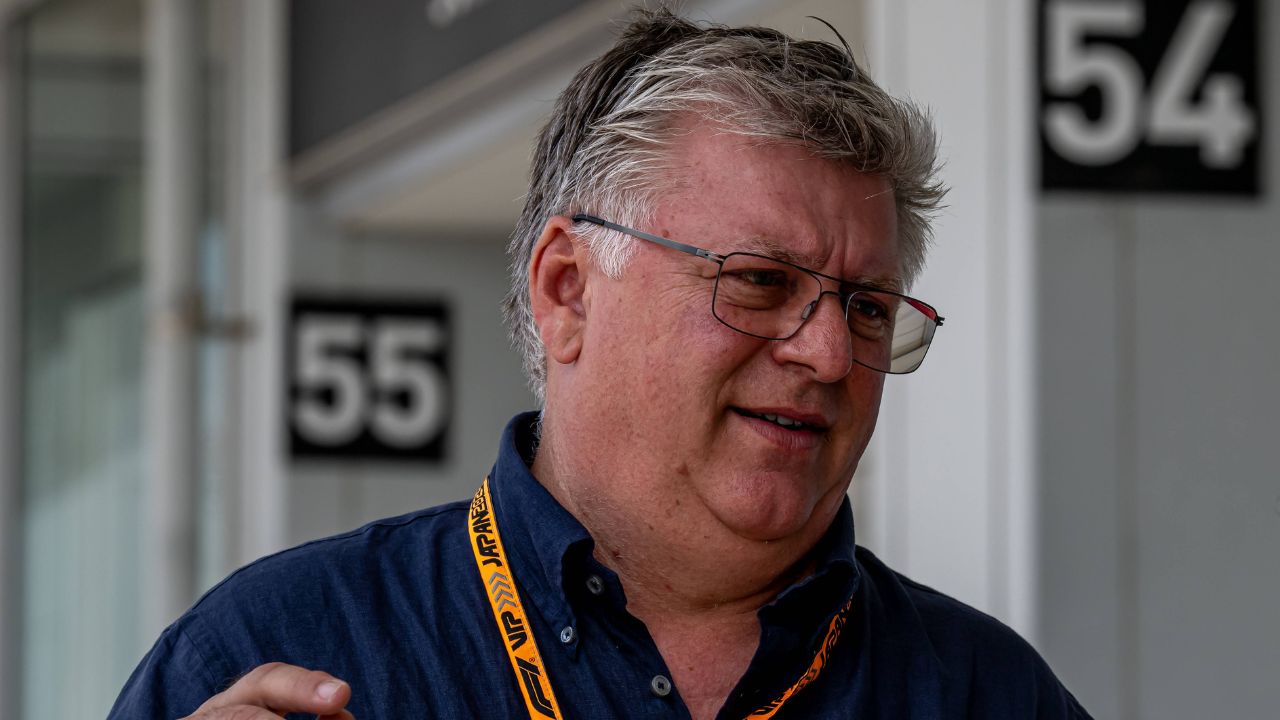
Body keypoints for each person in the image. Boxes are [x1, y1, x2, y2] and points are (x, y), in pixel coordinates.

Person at [111, 9, 1090, 720]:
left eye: (867, 309)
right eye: (756, 282)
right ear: (568, 289)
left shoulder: (984, 694)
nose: (828, 353)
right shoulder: (283, 651)